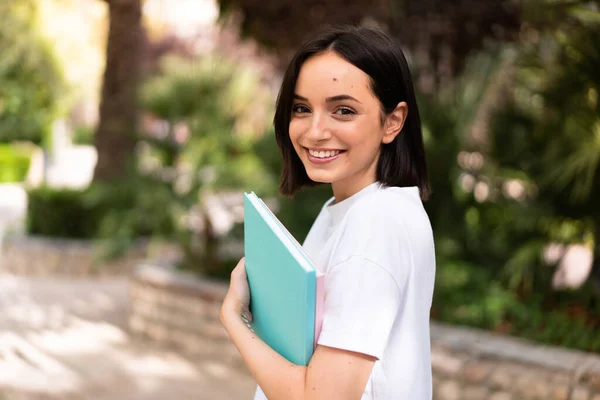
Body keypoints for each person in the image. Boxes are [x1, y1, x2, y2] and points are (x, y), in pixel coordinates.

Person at [220, 25, 436, 400]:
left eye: (343, 110)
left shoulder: (376, 224)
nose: (315, 131)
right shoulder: (348, 209)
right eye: (302, 108)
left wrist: (233, 317)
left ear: (392, 121)